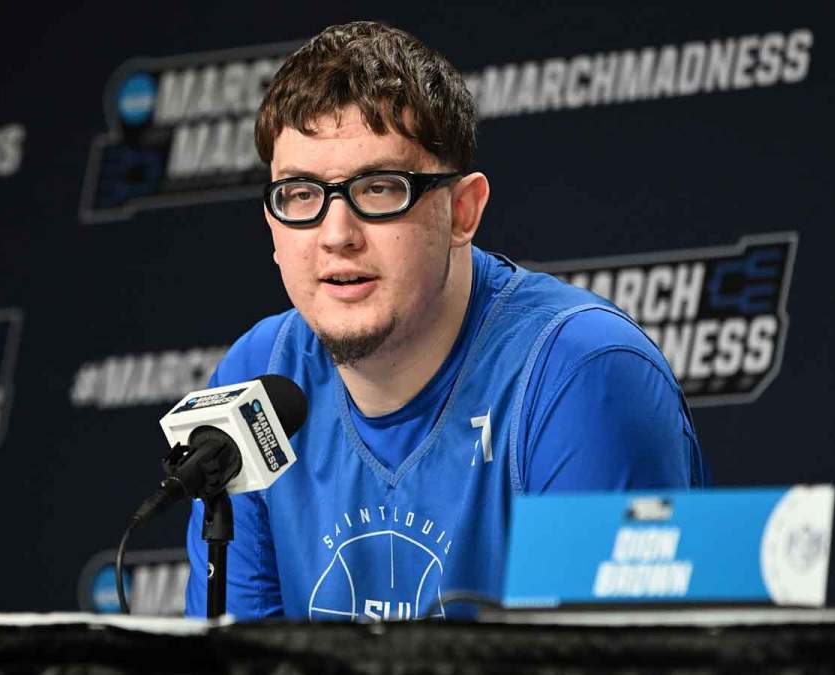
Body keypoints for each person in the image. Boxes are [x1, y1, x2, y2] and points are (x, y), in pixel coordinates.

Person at [184, 20, 707, 621]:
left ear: (463, 211)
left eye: (379, 189)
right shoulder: (255, 379)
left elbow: (598, 662)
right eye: (300, 195)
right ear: (272, 225)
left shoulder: (582, 376)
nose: (336, 237)